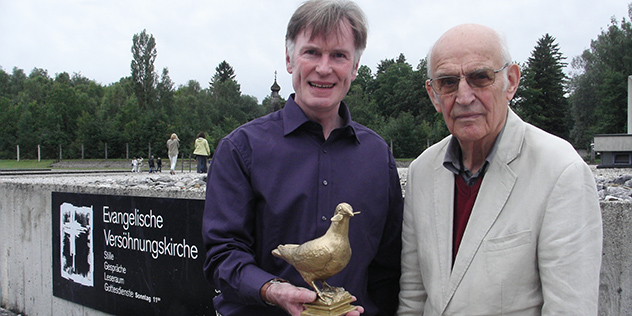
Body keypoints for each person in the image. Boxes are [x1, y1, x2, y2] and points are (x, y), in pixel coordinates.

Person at [202, 1, 403, 315]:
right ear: (289, 59)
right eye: (311, 52)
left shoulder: (378, 157)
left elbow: (388, 267)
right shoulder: (241, 149)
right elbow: (222, 256)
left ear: (355, 66)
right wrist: (272, 290)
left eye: (338, 55)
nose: (324, 68)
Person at [398, 24, 602, 315]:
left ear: (511, 81)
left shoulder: (560, 171)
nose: (464, 96)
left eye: (480, 77)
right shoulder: (421, 171)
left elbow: (570, 308)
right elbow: (413, 299)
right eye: (448, 82)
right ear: (434, 95)